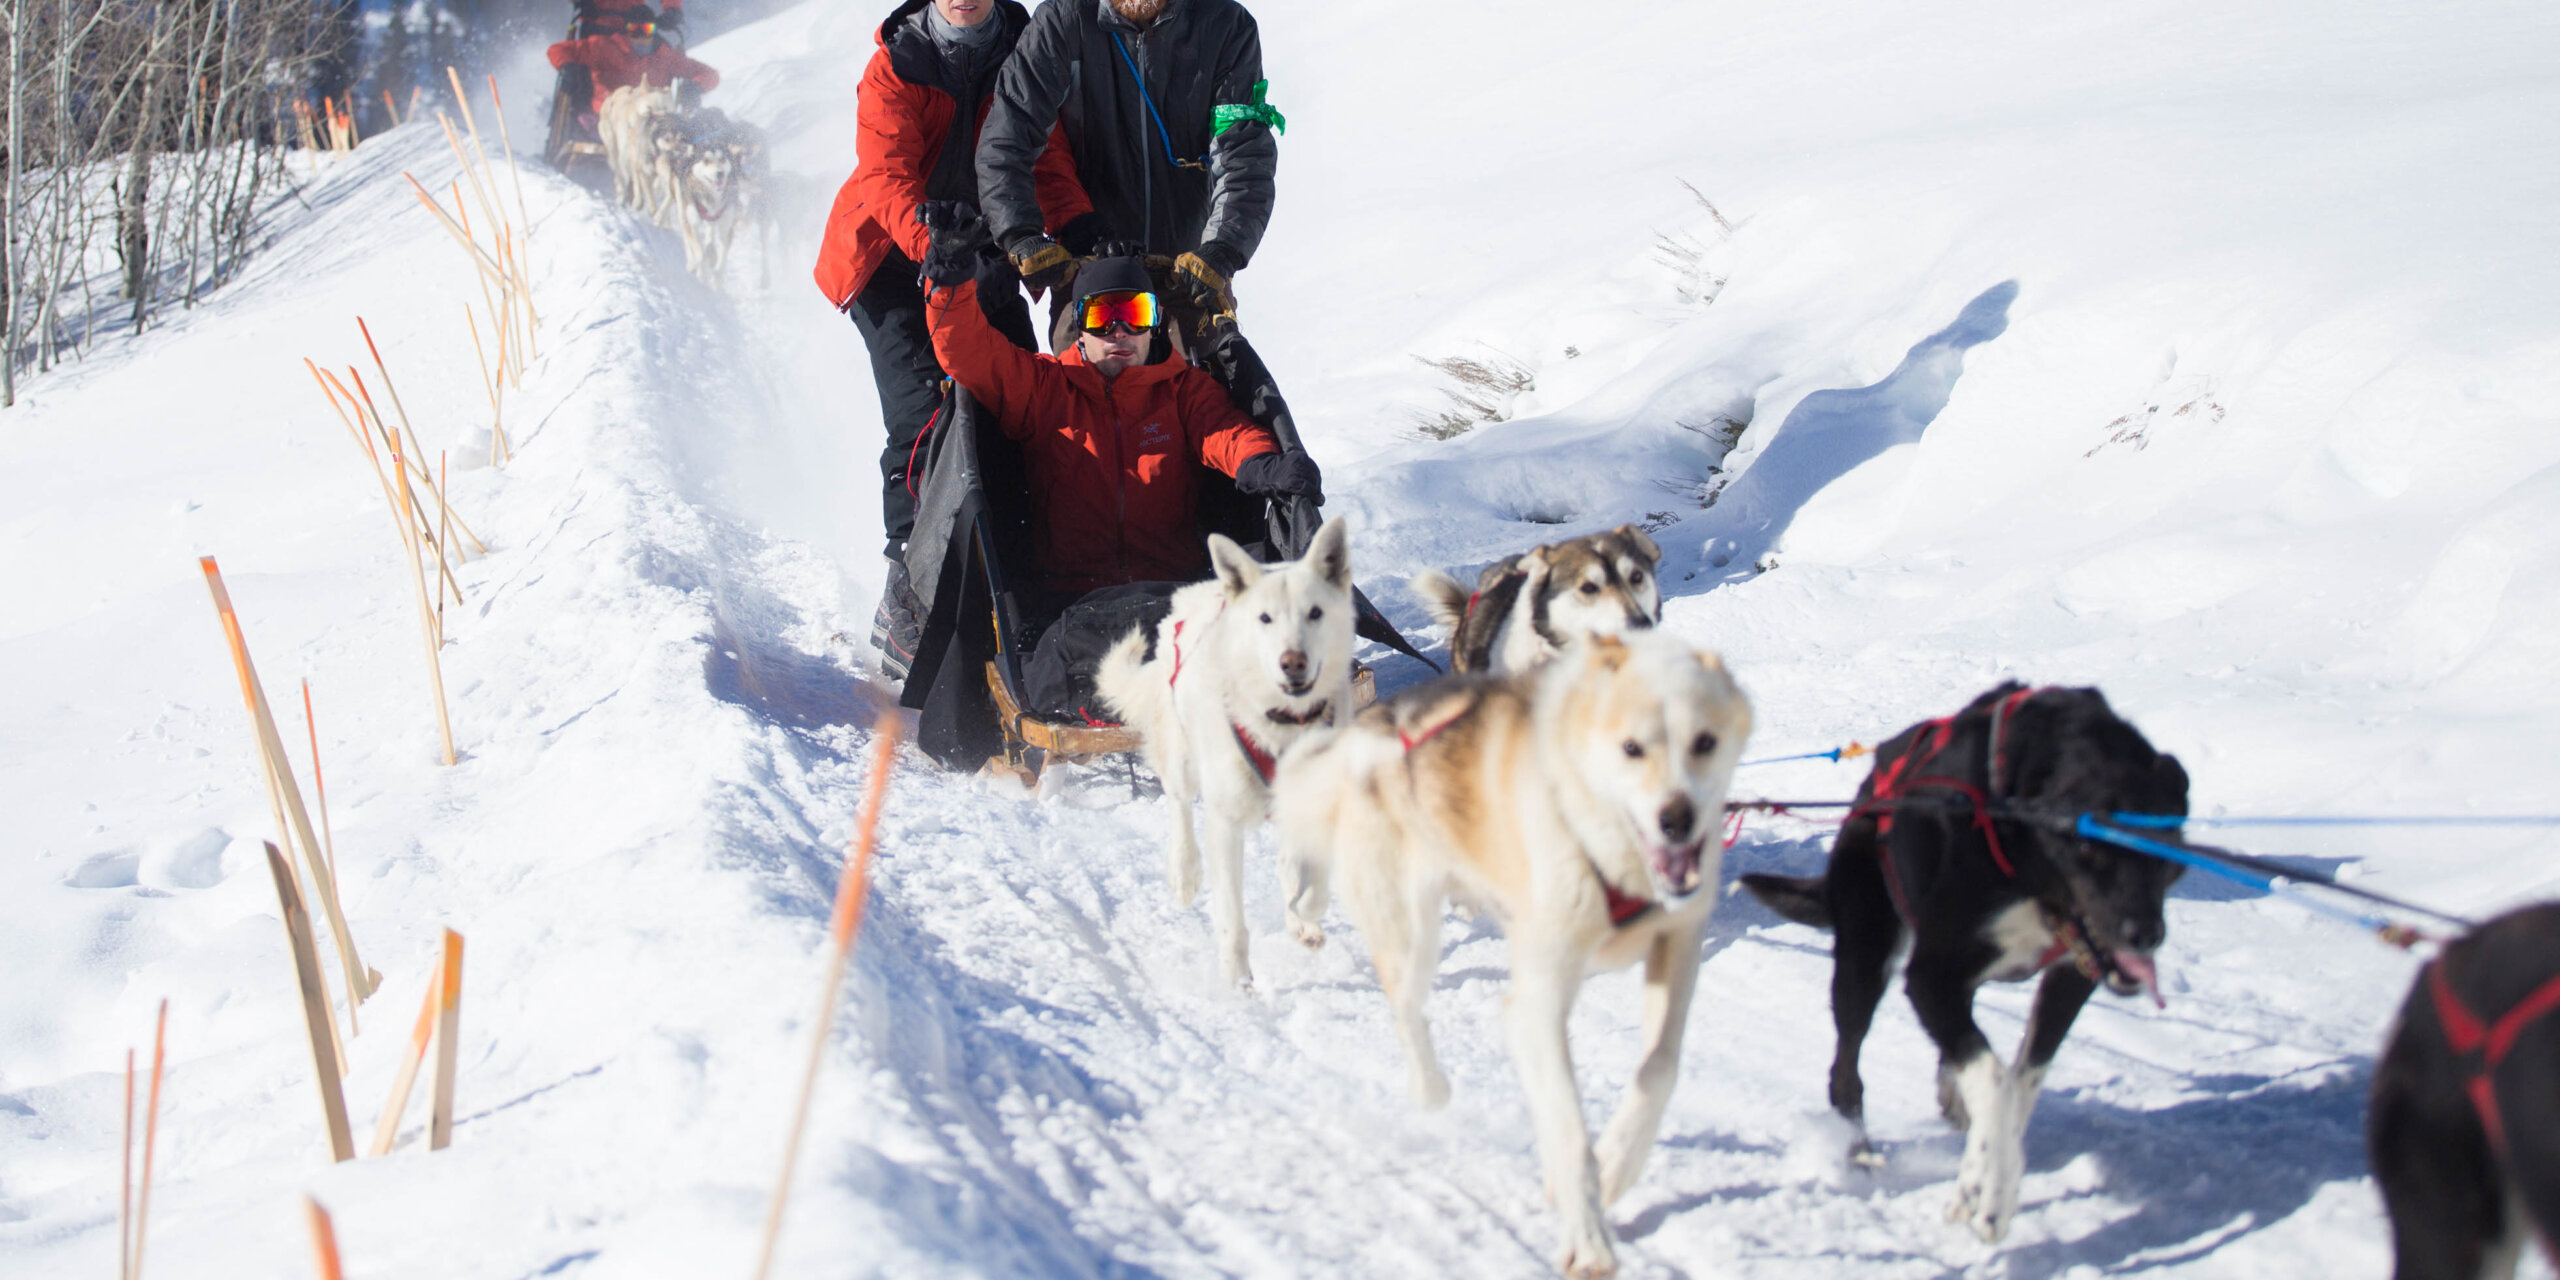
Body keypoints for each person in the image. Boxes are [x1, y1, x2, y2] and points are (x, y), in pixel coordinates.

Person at [814, 0, 1104, 682]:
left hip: (983, 257)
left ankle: (1015, 581)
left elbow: (1045, 161)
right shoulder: (898, 62)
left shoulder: (1026, 51)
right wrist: (933, 245)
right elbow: (886, 177)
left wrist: (1076, 226)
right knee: (924, 416)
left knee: (1015, 405)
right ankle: (906, 590)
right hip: (891, 259)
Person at [916, 206, 1320, 600]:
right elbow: (967, 352)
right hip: (1070, 600)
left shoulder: (1183, 389)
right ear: (1079, 327)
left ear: (1155, 324)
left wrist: (1261, 463)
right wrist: (949, 274)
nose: (1119, 331)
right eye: (1101, 316)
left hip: (1174, 593)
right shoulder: (1045, 387)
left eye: (1134, 314)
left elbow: (1226, 433)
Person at [972, 0, 1279, 338]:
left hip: (1191, 273)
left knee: (1211, 384)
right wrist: (1020, 234)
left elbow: (1243, 152)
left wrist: (1223, 248)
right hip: (1087, 272)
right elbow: (1008, 135)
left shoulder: (1224, 24)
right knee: (1086, 388)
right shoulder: (1063, 20)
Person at [546, 7, 719, 118]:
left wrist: (697, 86)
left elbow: (710, 74)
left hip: (651, 118)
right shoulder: (605, 46)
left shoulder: (665, 56)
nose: (642, 37)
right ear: (626, 32)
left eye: (647, 31)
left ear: (655, 32)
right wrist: (568, 66)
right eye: (635, 32)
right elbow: (557, 50)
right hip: (609, 114)